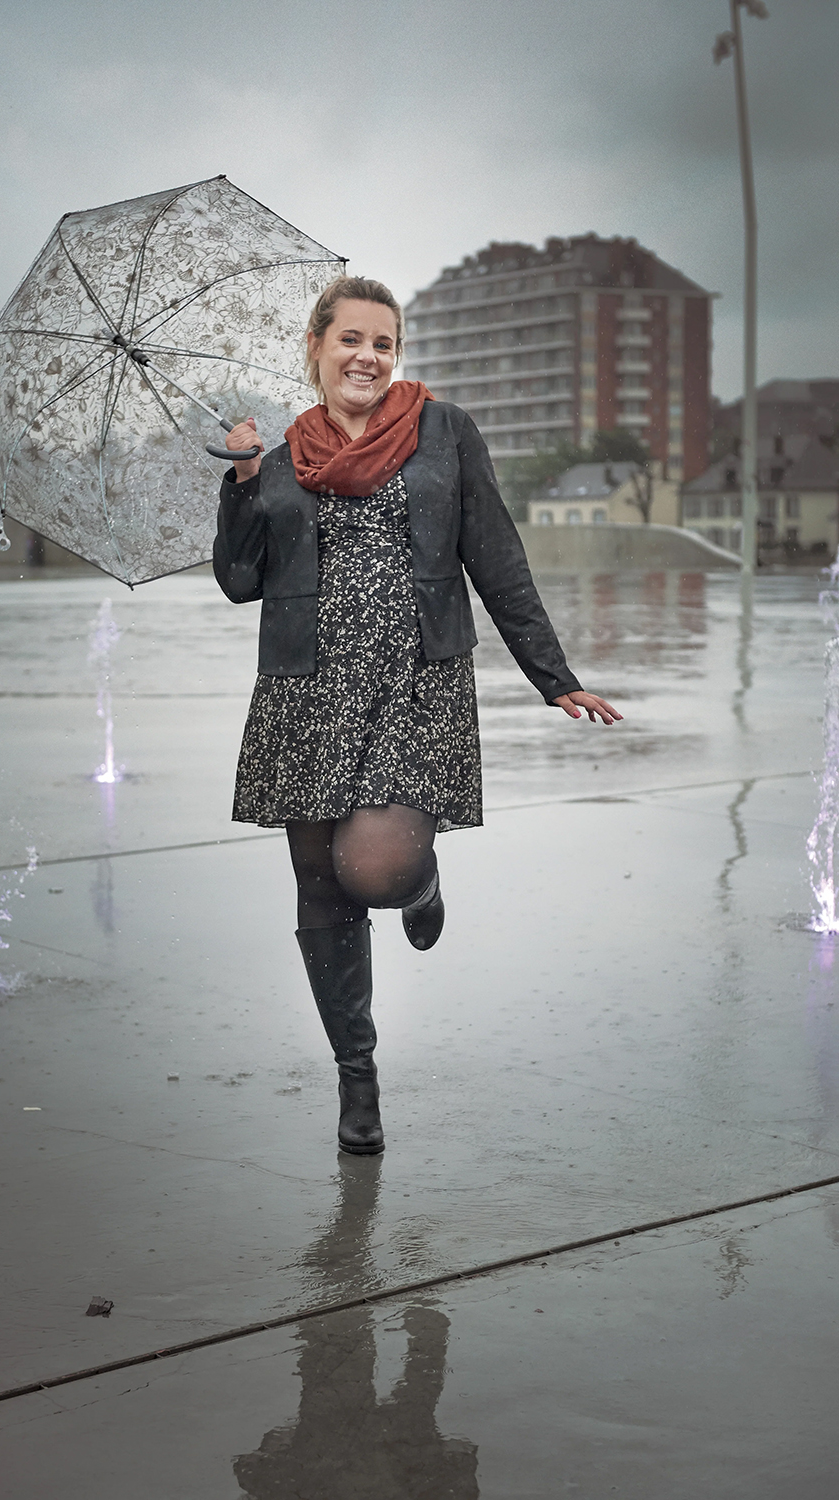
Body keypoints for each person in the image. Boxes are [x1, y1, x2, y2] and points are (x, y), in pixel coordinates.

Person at [213, 276, 620, 1158]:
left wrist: (553, 676)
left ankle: (420, 882)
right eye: (351, 339)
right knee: (321, 889)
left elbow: (495, 555)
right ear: (316, 348)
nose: (368, 356)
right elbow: (240, 581)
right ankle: (356, 1078)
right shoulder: (277, 455)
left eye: (384, 343)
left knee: (379, 868)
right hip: (306, 691)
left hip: (413, 683)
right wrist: (242, 481)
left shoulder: (444, 432)